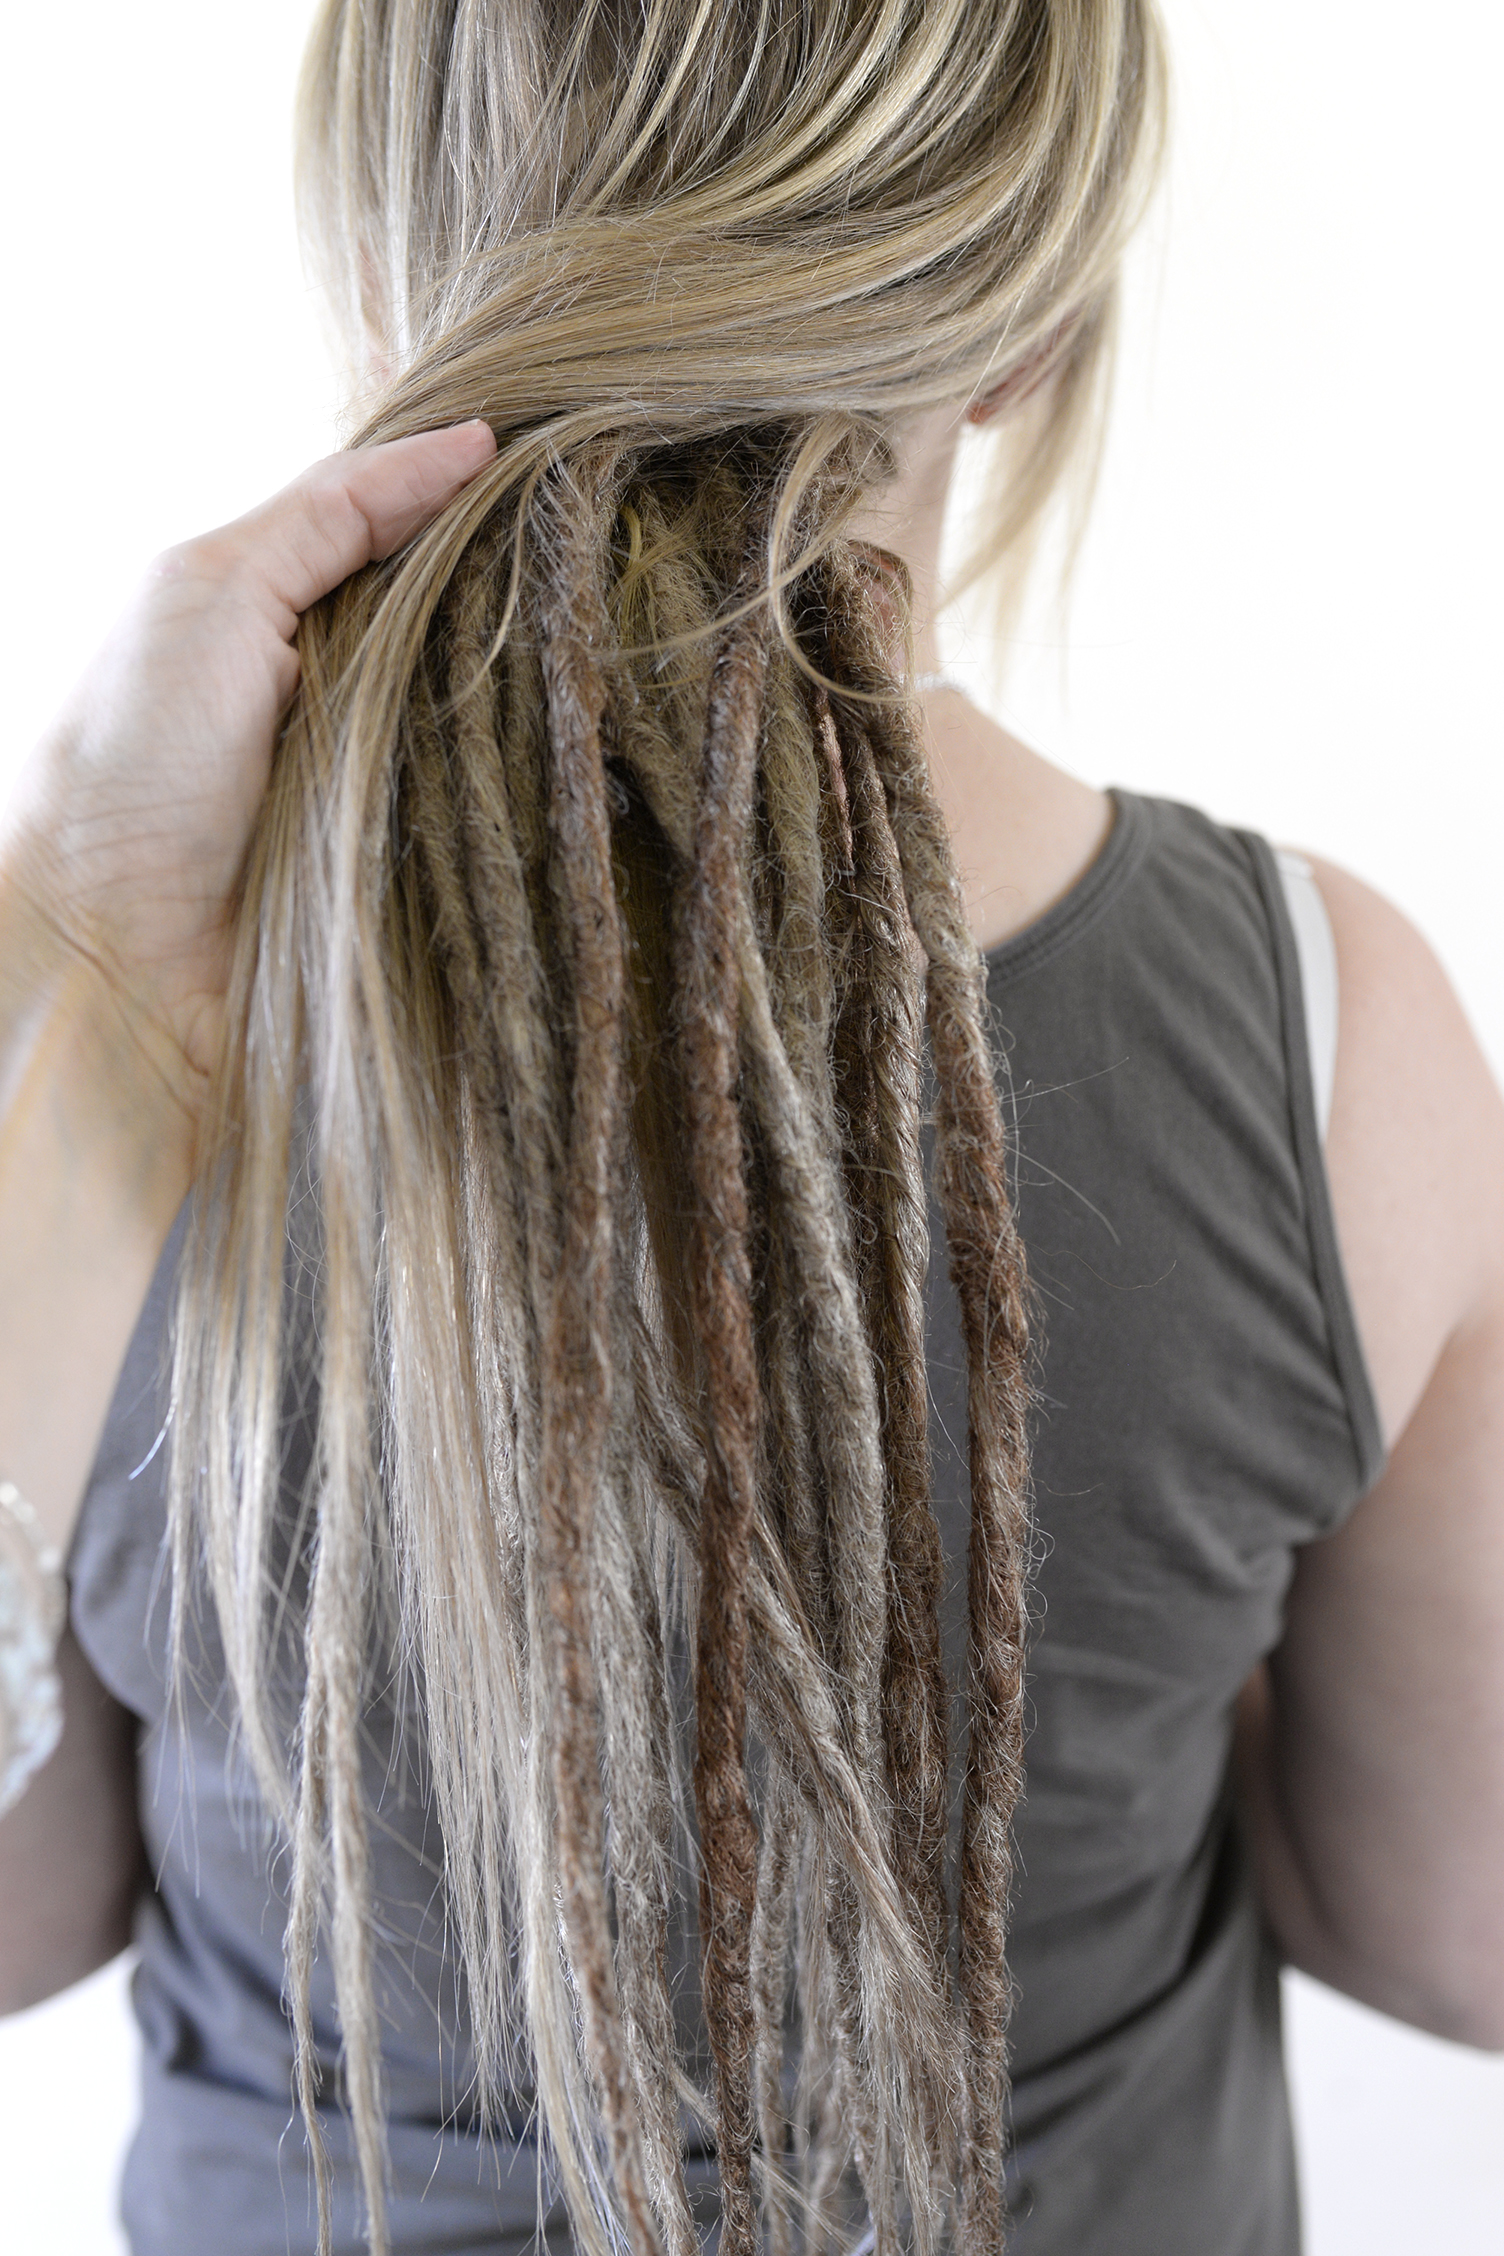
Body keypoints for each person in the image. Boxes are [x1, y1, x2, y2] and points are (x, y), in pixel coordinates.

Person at [2, 4, 1502, 2254]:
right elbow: (1454, 1934)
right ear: (1019, 325)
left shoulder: (83, 1044)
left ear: (400, 269)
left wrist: (73, 955)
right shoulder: (1328, 1035)